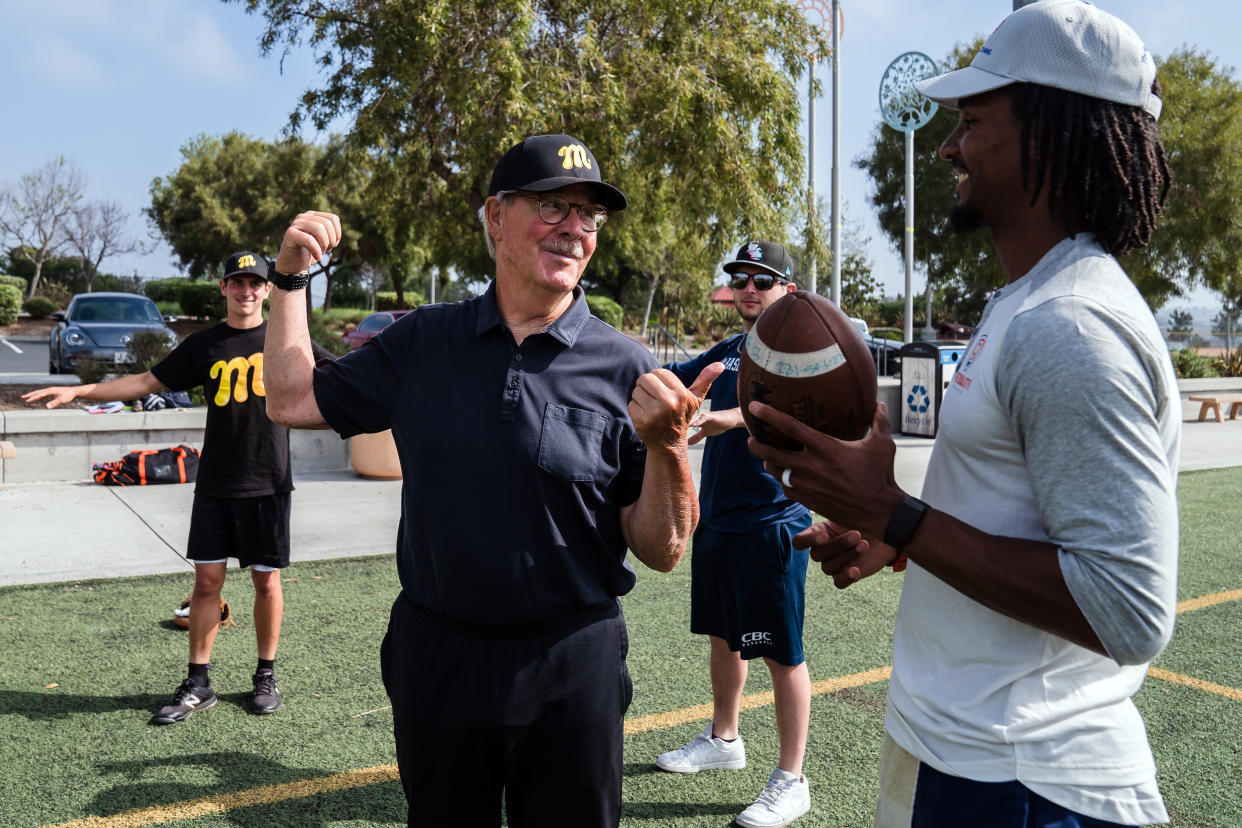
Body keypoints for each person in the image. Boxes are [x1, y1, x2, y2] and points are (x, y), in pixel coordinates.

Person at [746, 2, 1179, 826]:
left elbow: (1128, 610)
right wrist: (898, 537)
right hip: (966, 745)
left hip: (1025, 776)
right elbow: (1013, 509)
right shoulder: (1026, 302)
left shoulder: (1071, 324)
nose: (949, 145)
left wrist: (893, 514)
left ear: (1051, 132)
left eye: (973, 120)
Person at [260, 134, 721, 828]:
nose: (573, 229)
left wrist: (668, 451)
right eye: (552, 206)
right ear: (495, 218)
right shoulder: (425, 341)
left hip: (573, 660)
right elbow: (290, 400)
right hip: (438, 654)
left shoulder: (625, 365)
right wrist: (290, 278)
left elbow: (662, 549)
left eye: (589, 217)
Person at [24, 252, 331, 724]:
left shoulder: (287, 341)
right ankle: (198, 683)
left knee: (266, 581)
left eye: (255, 283)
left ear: (269, 290)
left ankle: (265, 674)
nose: (246, 291)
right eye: (237, 283)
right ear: (224, 289)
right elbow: (147, 380)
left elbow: (341, 375)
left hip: (269, 481)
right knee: (207, 582)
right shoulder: (204, 345)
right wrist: (79, 391)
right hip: (216, 485)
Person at [656, 240, 814, 828]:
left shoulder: (800, 354)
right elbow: (667, 383)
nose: (749, 288)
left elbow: (796, 412)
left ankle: (791, 778)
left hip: (773, 522)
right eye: (741, 278)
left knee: (781, 652)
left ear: (787, 290)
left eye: (763, 279)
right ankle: (725, 740)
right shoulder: (725, 352)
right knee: (724, 635)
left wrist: (730, 418)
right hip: (718, 520)